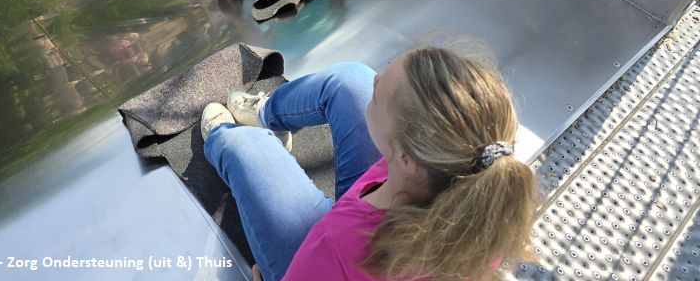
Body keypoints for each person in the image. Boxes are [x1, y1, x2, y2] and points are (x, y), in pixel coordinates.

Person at [201, 45, 538, 281]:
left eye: (379, 96)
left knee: (243, 144)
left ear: (406, 158)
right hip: (384, 208)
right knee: (353, 79)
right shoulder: (482, 192)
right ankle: (266, 114)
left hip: (335, 260)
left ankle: (224, 134)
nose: (377, 81)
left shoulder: (334, 247)